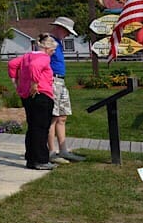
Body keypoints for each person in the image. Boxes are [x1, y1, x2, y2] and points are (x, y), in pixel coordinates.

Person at [8, 34, 57, 170]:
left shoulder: (27, 56)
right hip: (41, 94)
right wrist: (35, 83)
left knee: (32, 128)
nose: (53, 54)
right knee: (41, 128)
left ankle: (31, 158)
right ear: (48, 49)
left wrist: (15, 82)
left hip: (27, 96)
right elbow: (35, 67)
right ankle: (40, 160)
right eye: (53, 51)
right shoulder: (43, 57)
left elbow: (12, 64)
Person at [46, 16, 86, 163]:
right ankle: (51, 151)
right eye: (67, 31)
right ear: (59, 28)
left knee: (62, 116)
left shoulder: (58, 43)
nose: (68, 35)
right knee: (53, 117)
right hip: (52, 81)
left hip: (60, 81)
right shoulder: (48, 41)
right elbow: (41, 61)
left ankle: (63, 150)